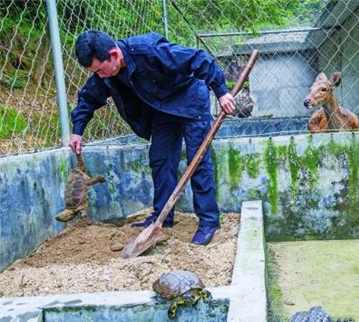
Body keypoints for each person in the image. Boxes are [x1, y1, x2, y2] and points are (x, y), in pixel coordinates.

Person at [69, 30, 235, 245]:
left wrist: (221, 92)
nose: (100, 75)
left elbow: (199, 59)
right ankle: (162, 218)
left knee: (198, 161)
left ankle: (209, 221)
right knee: (160, 159)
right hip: (162, 109)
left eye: (100, 69)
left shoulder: (149, 50)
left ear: (114, 54)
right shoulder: (105, 74)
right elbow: (88, 98)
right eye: (95, 72)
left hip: (190, 99)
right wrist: (78, 130)